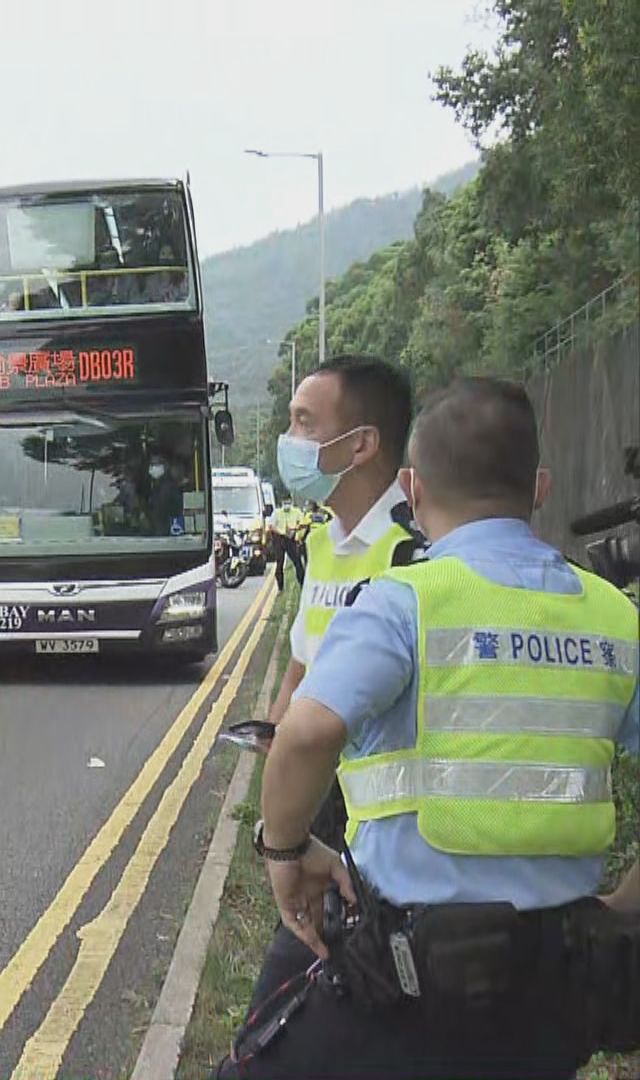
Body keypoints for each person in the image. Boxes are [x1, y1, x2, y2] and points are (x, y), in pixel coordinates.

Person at [219, 377, 640, 1078]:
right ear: (538, 488)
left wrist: (285, 852)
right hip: (560, 985)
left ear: (412, 491)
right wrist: (625, 906)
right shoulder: (615, 618)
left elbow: (304, 734)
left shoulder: (402, 605)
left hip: (413, 981)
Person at [268, 355, 419, 846]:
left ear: (361, 444)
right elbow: (300, 667)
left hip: (387, 828)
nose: (288, 440)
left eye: (304, 423)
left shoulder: (414, 548)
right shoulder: (321, 543)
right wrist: (274, 741)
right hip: (317, 808)